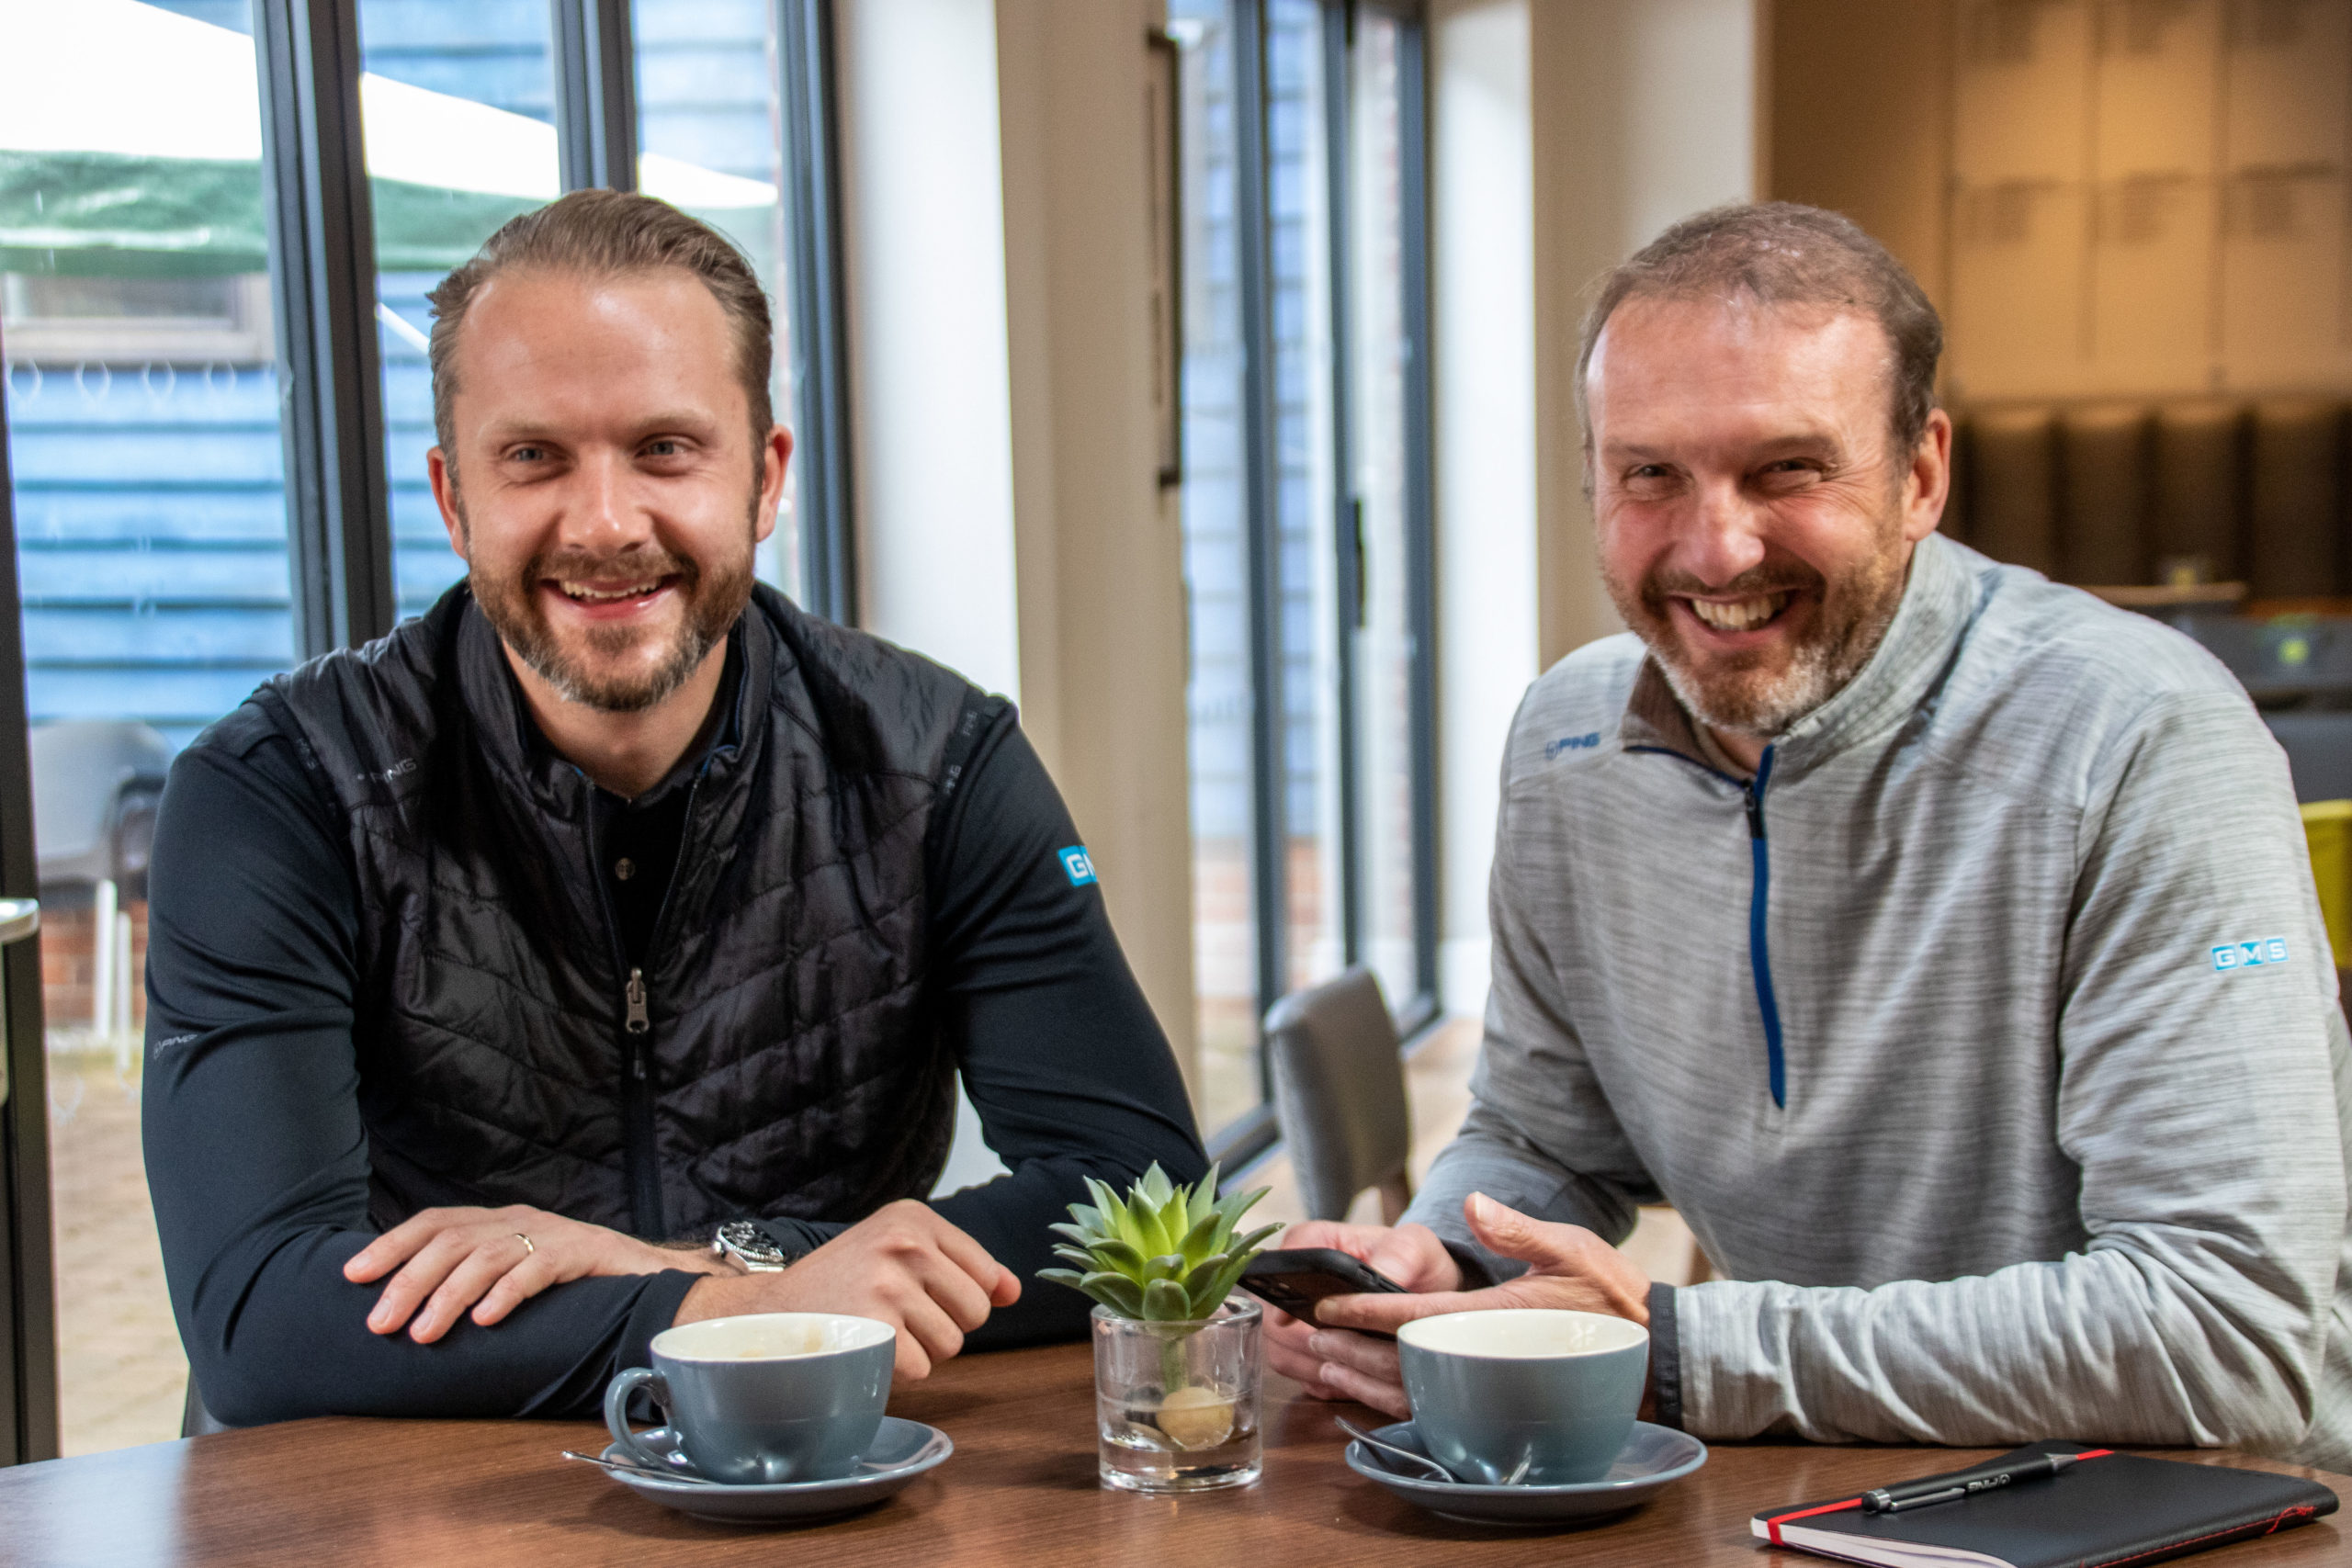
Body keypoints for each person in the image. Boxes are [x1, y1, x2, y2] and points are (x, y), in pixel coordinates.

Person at [1267, 201, 2352, 1471]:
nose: (1715, 546)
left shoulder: (2144, 739)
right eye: (1650, 474)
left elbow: (2229, 1336)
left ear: (1922, 476)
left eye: (1787, 468)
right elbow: (1545, 1137)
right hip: (1819, 1485)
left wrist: (1674, 1354)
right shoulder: (1567, 741)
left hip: (2186, 1504)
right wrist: (1444, 1254)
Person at [142, 190, 1204, 1424]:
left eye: (663, 449)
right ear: (453, 498)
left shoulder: (942, 765)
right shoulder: (282, 795)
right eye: (535, 456)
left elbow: (1149, 1202)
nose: (604, 524)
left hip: (812, 1475)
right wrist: (744, 1307)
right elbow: (262, 1323)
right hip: (415, 1506)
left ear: (764, 479)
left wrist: (715, 1263)